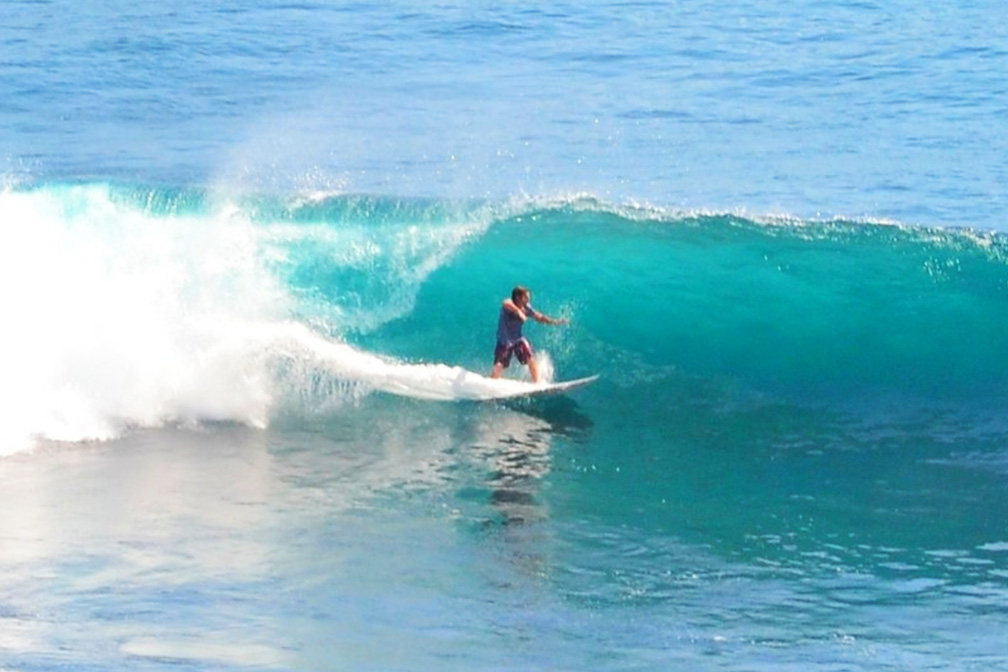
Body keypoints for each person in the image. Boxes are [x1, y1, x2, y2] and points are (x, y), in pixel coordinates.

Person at [491, 286, 568, 383]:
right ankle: (491, 383)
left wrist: (555, 322)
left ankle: (537, 383)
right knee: (500, 364)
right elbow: (505, 303)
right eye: (526, 297)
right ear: (518, 297)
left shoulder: (526, 307)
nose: (528, 300)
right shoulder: (509, 305)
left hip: (518, 339)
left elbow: (539, 317)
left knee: (530, 357)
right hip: (504, 340)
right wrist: (518, 311)